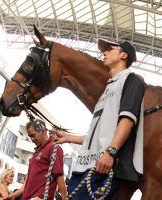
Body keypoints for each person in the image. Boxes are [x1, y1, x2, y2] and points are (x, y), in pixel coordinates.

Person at [53, 39, 146, 199]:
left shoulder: (131, 80)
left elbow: (127, 121)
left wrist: (110, 153)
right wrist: (69, 138)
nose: (104, 52)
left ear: (124, 55)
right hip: (83, 166)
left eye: (110, 49)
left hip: (102, 166)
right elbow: (99, 134)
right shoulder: (109, 87)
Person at [7, 120, 66, 200]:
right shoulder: (37, 152)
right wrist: (13, 195)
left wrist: (64, 198)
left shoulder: (53, 148)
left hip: (40, 197)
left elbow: (59, 176)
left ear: (42, 131)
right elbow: (28, 182)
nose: (32, 139)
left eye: (33, 135)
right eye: (30, 136)